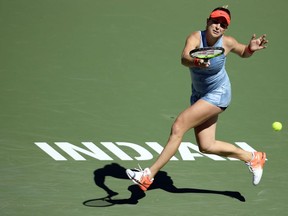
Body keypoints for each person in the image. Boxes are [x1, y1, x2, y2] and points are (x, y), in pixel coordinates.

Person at [126, 6, 268, 191]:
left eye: (223, 24)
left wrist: (251, 48)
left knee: (179, 126)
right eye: (215, 21)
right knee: (206, 145)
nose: (218, 26)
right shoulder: (195, 38)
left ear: (226, 29)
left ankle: (148, 175)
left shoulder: (227, 43)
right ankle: (253, 158)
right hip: (200, 94)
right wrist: (196, 61)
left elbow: (243, 51)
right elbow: (184, 58)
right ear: (208, 21)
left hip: (219, 93)